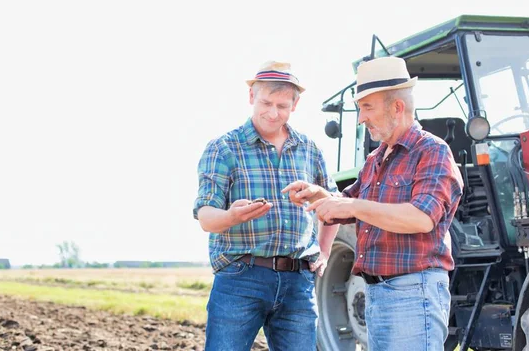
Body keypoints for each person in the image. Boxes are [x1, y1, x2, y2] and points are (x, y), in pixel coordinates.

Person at [282, 56, 464, 351]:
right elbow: (349, 202)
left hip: (413, 295)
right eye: (359, 108)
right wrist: (319, 195)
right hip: (377, 294)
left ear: (397, 107)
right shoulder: (375, 158)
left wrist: (352, 208)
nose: (361, 117)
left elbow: (421, 218)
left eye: (367, 107)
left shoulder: (432, 152)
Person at [193, 60, 339, 351]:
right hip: (241, 278)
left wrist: (324, 251)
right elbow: (206, 217)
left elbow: (333, 206)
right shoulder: (224, 148)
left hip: (298, 281)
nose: (273, 113)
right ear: (251, 97)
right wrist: (232, 216)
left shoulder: (309, 150)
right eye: (266, 103)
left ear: (295, 105)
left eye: (282, 106)